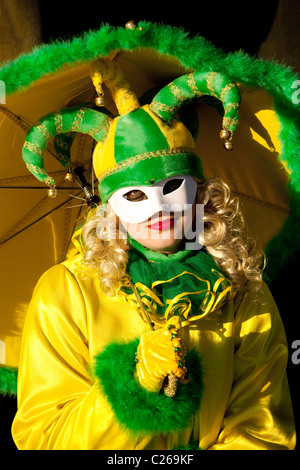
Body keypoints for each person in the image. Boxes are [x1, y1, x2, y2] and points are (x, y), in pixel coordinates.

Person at [12, 58, 296, 450]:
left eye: (172, 185)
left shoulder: (244, 291)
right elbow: (43, 439)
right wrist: (132, 389)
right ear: (108, 206)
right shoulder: (64, 292)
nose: (158, 209)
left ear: (200, 190)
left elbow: (263, 429)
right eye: (133, 195)